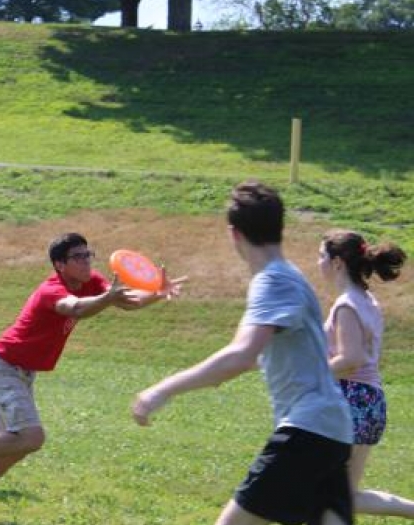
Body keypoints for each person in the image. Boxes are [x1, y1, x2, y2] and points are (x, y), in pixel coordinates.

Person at [132, 180, 355, 525]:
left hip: (308, 427)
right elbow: (262, 354)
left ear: (233, 234)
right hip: (333, 429)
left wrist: (162, 389)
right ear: (280, 227)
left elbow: (241, 355)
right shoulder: (290, 276)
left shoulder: (273, 281)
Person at [0, 232, 183, 521]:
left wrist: (157, 292)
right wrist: (107, 298)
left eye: (87, 255)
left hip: (21, 371)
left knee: (14, 447)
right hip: (2, 366)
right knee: (31, 437)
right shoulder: (51, 290)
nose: (85, 261)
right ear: (59, 265)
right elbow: (77, 308)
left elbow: (127, 300)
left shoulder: (90, 282)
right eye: (77, 257)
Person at [318, 229, 413, 518]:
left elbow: (351, 358)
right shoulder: (366, 299)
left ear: (337, 264)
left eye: (322, 256)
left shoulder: (347, 304)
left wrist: (312, 372)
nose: (318, 262)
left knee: (323, 493)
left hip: (352, 402)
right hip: (368, 402)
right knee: (343, 496)